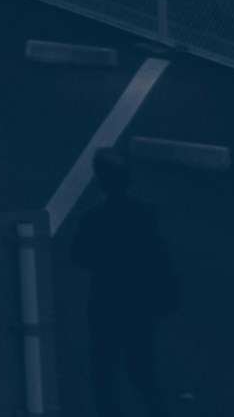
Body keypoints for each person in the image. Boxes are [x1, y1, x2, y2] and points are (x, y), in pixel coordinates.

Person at [75, 173, 180, 412]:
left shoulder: (93, 218)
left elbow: (79, 257)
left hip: (106, 305)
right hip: (141, 305)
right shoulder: (146, 217)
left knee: (104, 373)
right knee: (141, 370)